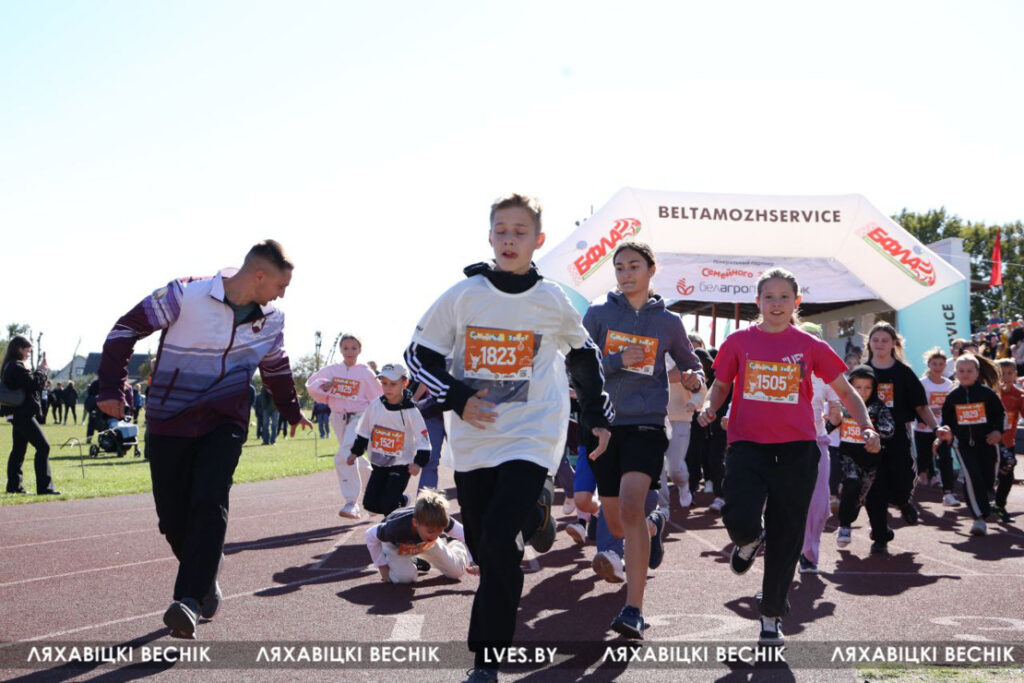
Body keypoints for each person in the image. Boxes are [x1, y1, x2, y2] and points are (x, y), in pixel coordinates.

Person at [405, 193, 612, 683]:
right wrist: (458, 397)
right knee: (485, 548)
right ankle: (536, 514)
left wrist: (596, 414)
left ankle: (486, 659)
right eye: (501, 230)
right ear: (489, 237)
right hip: (475, 442)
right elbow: (418, 355)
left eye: (520, 232)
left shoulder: (552, 299)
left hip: (532, 434)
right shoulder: (465, 295)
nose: (509, 239)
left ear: (538, 240)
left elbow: (583, 355)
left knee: (500, 542)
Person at [96, 240, 312, 639]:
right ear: (259, 276)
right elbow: (125, 330)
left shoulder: (273, 319)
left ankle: (189, 602)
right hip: (169, 419)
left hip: (225, 419)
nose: (282, 295)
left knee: (210, 499)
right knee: (172, 518)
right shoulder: (184, 295)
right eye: (281, 286)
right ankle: (206, 572)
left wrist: (291, 411)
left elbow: (277, 367)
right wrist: (111, 386)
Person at [698, 268, 879, 646]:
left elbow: (846, 392)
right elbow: (721, 384)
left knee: (786, 534)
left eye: (784, 297)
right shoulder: (738, 342)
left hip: (798, 450)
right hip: (747, 445)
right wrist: (709, 407)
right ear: (758, 301)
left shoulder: (812, 346)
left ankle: (771, 616)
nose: (776, 304)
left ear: (796, 302)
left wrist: (866, 425)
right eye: (769, 296)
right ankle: (749, 540)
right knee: (738, 515)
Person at [583, 242, 703, 638]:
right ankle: (654, 525)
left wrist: (694, 377)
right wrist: (618, 360)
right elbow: (577, 366)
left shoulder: (668, 321)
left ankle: (633, 609)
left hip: (648, 425)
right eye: (619, 267)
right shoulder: (598, 314)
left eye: (634, 266)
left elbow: (690, 362)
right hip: (604, 425)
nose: (626, 274)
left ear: (652, 269)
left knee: (631, 507)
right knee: (618, 525)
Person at [864, 322, 941, 527]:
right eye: (875, 340)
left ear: (894, 344)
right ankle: (879, 534)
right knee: (875, 485)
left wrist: (936, 428)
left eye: (885, 340)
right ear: (869, 343)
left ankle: (903, 501)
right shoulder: (862, 372)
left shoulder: (904, 372)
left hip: (898, 433)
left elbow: (921, 406)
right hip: (870, 434)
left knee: (903, 477)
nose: (880, 344)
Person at [306, 334, 382, 519]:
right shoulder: (331, 370)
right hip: (338, 417)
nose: (349, 352)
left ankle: (351, 502)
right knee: (356, 458)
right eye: (346, 348)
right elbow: (311, 386)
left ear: (360, 350)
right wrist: (324, 386)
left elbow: (378, 397)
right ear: (340, 350)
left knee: (345, 455)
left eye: (353, 348)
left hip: (360, 417)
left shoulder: (365, 372)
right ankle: (374, 500)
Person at [346, 363, 431, 515]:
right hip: (379, 463)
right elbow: (364, 431)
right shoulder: (375, 405)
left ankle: (392, 525)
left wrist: (418, 462)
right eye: (384, 383)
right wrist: (355, 452)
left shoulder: (411, 411)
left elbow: (423, 440)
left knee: (388, 505)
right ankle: (403, 501)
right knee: (370, 504)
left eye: (393, 384)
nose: (387, 388)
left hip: (401, 465)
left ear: (404, 383)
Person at [939, 354, 1005, 536]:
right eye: (961, 371)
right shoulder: (953, 396)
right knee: (971, 477)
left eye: (969, 371)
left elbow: (1000, 414)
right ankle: (979, 518)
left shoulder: (987, 393)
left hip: (987, 443)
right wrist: (944, 433)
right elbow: (946, 422)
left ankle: (985, 498)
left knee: (987, 478)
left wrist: (997, 431)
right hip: (963, 445)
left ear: (977, 373)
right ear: (955, 373)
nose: (965, 374)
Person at [833, 365, 896, 551]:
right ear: (850, 387)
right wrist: (831, 419)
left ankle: (880, 535)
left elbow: (889, 428)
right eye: (858, 387)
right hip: (848, 457)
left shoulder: (878, 407)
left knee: (873, 498)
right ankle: (845, 525)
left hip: (873, 461)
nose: (863, 391)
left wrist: (876, 433)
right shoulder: (843, 405)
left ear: (874, 388)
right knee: (852, 482)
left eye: (868, 387)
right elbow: (828, 426)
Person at [364, 488, 475, 584]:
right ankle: (415, 561)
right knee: (404, 579)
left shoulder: (439, 518)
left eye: (440, 531)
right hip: (396, 546)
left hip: (426, 543)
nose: (436, 535)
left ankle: (456, 545)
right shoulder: (396, 527)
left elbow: (465, 533)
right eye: (431, 531)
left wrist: (477, 558)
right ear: (415, 523)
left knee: (456, 572)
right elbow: (370, 534)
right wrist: (382, 566)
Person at [2, 336, 59, 495]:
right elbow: (33, 384)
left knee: (18, 450)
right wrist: (42, 370)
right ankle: (44, 487)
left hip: (16, 413)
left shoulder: (9, 365)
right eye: (27, 351)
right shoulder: (16, 366)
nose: (28, 354)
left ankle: (14, 486)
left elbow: (28, 382)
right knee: (43, 447)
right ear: (19, 349)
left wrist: (38, 371)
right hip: (23, 414)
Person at [914, 348, 956, 502]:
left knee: (945, 457)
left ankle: (948, 491)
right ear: (929, 364)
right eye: (934, 364)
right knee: (924, 457)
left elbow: (952, 407)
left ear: (945, 365)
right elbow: (916, 405)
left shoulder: (949, 384)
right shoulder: (922, 383)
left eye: (941, 364)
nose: (938, 367)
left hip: (943, 428)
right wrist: (924, 417)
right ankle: (919, 478)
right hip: (924, 428)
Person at [993, 358, 1020, 522]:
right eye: (1002, 374)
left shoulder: (1019, 395)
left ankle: (999, 505)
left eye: (1009, 373)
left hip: (1007, 443)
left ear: (1015, 375)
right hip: (989, 443)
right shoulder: (990, 394)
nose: (1006, 377)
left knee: (1008, 472)